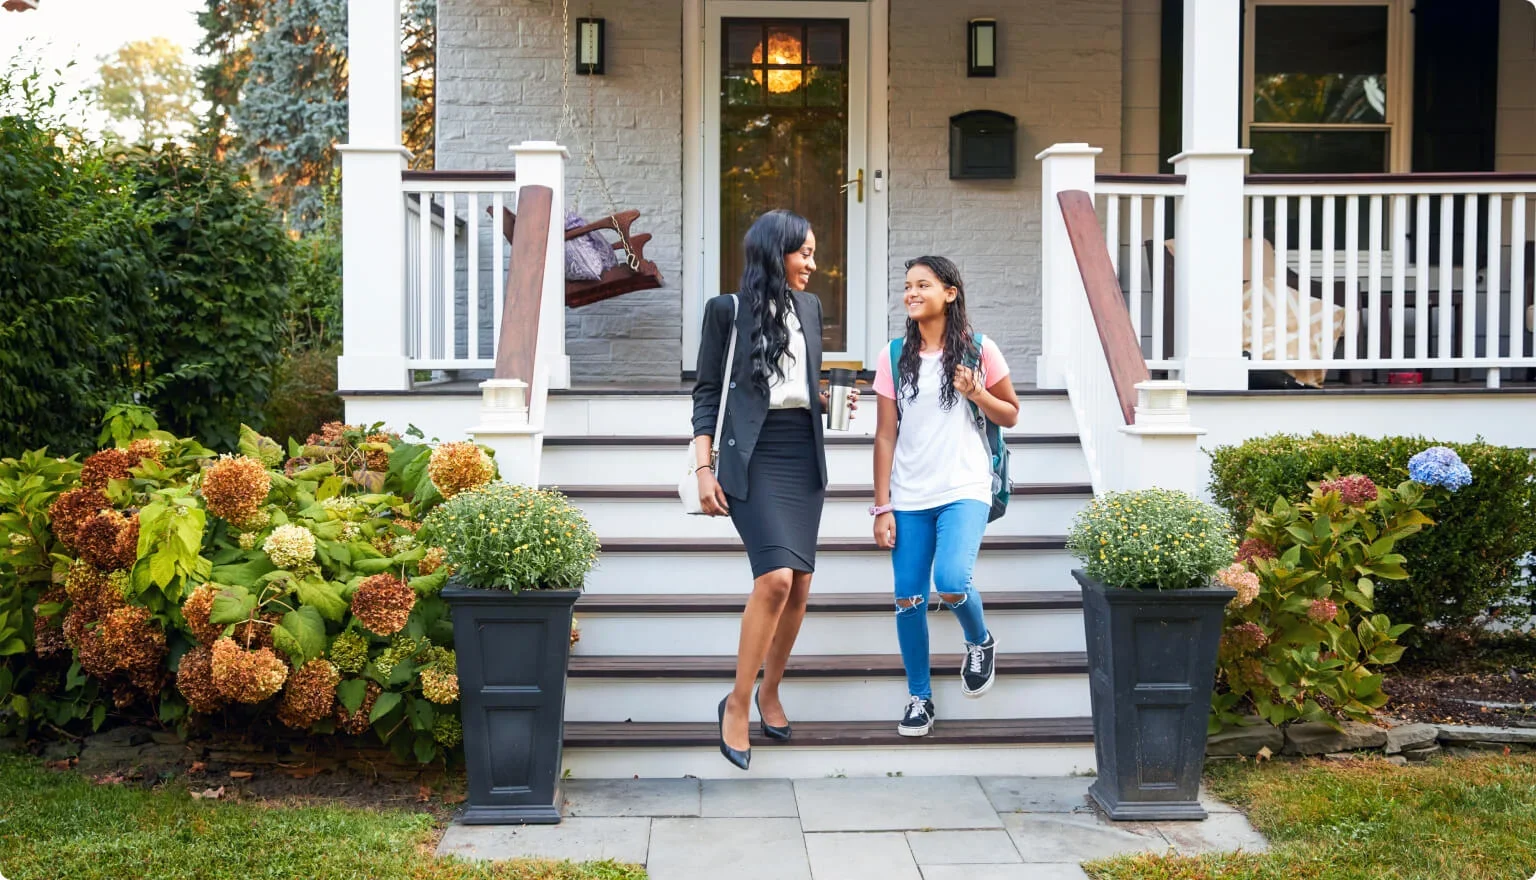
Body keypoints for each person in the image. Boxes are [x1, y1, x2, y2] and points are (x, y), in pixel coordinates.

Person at [691, 209, 858, 770]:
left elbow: (803, 386)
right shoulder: (727, 311)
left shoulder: (809, 308)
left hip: (801, 453)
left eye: (812, 252)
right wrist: (703, 467)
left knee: (801, 585)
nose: (814, 263)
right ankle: (737, 702)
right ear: (774, 252)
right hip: (753, 457)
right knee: (775, 579)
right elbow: (707, 392)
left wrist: (839, 402)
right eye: (804, 253)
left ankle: (771, 690)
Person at [870, 255, 1020, 737]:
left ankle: (980, 639)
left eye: (923, 285)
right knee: (908, 597)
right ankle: (920, 698)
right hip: (910, 494)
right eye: (907, 286)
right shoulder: (893, 355)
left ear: (950, 292)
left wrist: (977, 392)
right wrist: (882, 504)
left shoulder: (980, 349)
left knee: (952, 580)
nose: (911, 293)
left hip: (965, 485)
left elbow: (1011, 414)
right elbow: (885, 435)